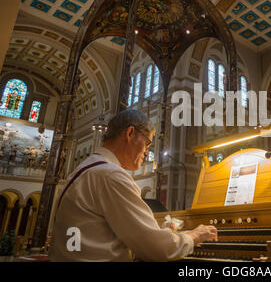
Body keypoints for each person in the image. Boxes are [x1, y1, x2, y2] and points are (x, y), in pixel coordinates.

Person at [49, 109, 217, 262]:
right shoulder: (110, 175)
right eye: (148, 143)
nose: (147, 152)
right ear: (130, 133)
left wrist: (184, 235)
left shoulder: (85, 169)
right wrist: (194, 235)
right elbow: (156, 248)